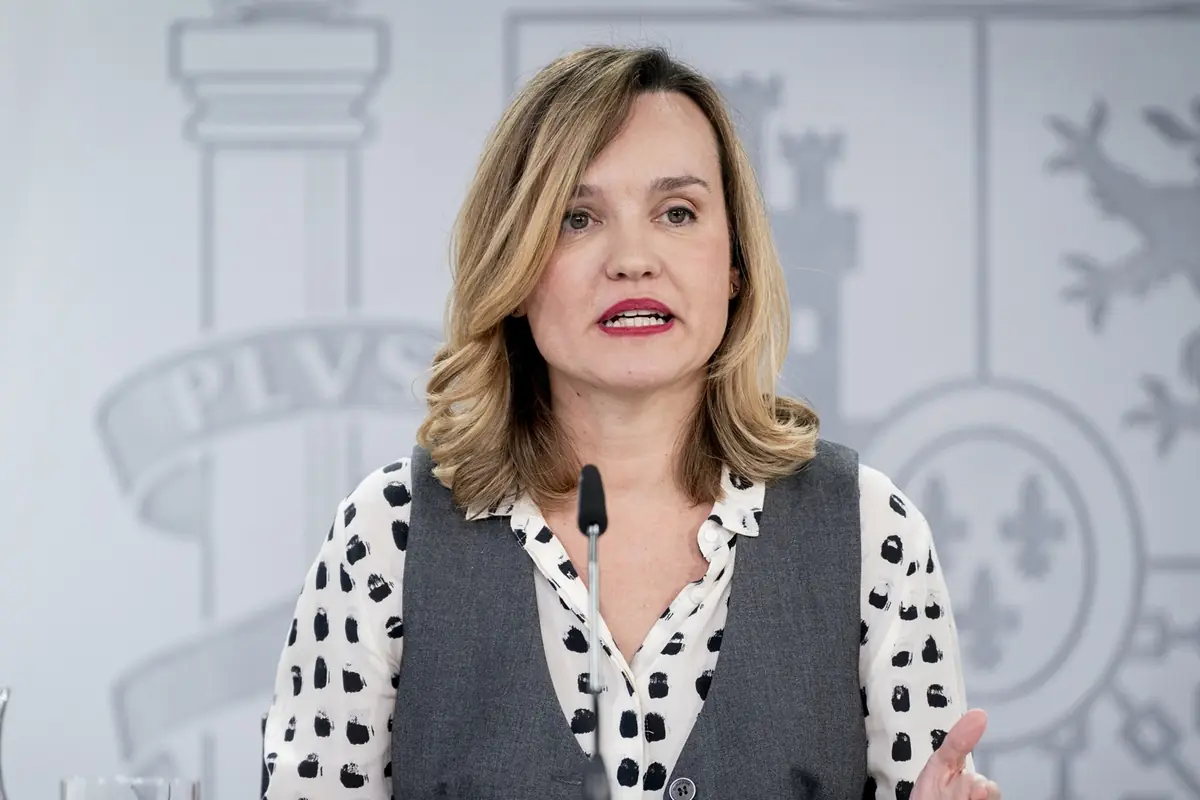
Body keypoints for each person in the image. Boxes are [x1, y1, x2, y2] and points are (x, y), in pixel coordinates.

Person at [261, 45, 1002, 800]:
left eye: (677, 212)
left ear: (735, 264)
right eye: (578, 219)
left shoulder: (870, 530)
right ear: (514, 270)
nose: (633, 259)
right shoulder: (390, 535)